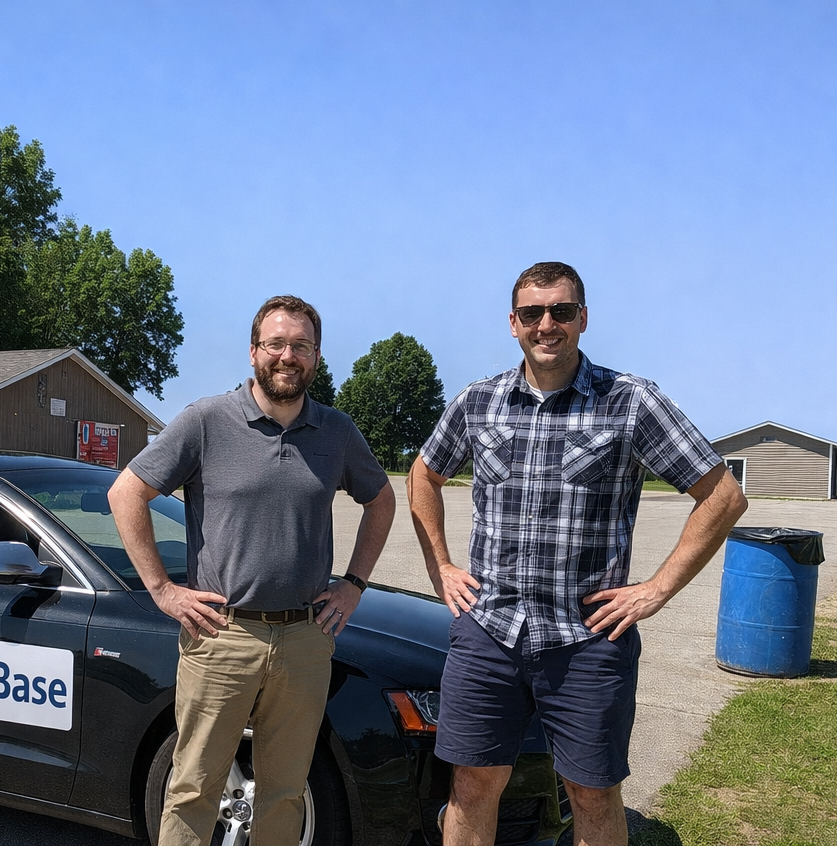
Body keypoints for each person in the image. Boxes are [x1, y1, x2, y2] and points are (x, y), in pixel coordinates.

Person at [407, 262, 748, 846]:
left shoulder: (630, 402)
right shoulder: (478, 402)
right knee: (471, 785)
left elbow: (721, 495)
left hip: (586, 638)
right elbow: (423, 474)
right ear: (513, 323)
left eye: (561, 312)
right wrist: (441, 567)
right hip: (490, 631)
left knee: (592, 794)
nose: (548, 324)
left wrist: (655, 590)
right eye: (533, 313)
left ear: (582, 319)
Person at [108, 295, 395, 846]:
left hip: (306, 640)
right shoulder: (206, 421)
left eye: (302, 347)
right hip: (221, 636)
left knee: (285, 793)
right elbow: (127, 493)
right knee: (193, 787)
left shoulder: (335, 432)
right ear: (254, 352)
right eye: (277, 344)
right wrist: (163, 590)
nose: (288, 356)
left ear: (316, 357)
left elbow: (381, 501)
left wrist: (353, 585)